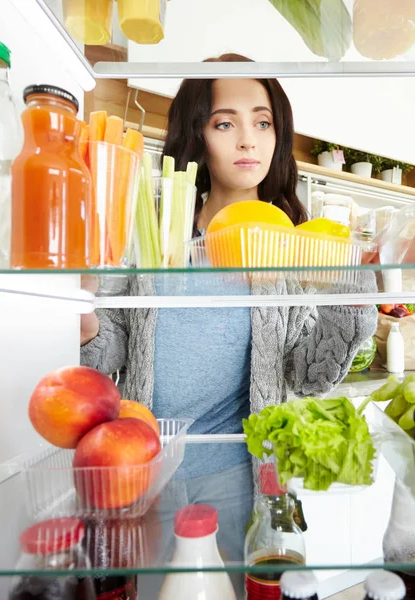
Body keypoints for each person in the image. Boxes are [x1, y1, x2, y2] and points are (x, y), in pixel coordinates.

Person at [80, 54, 377, 576]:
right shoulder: (153, 233)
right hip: (143, 472)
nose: (248, 140)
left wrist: (351, 288)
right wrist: (80, 311)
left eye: (263, 122)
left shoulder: (290, 247)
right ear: (197, 135)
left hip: (244, 476)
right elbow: (108, 350)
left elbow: (309, 375)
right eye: (225, 122)